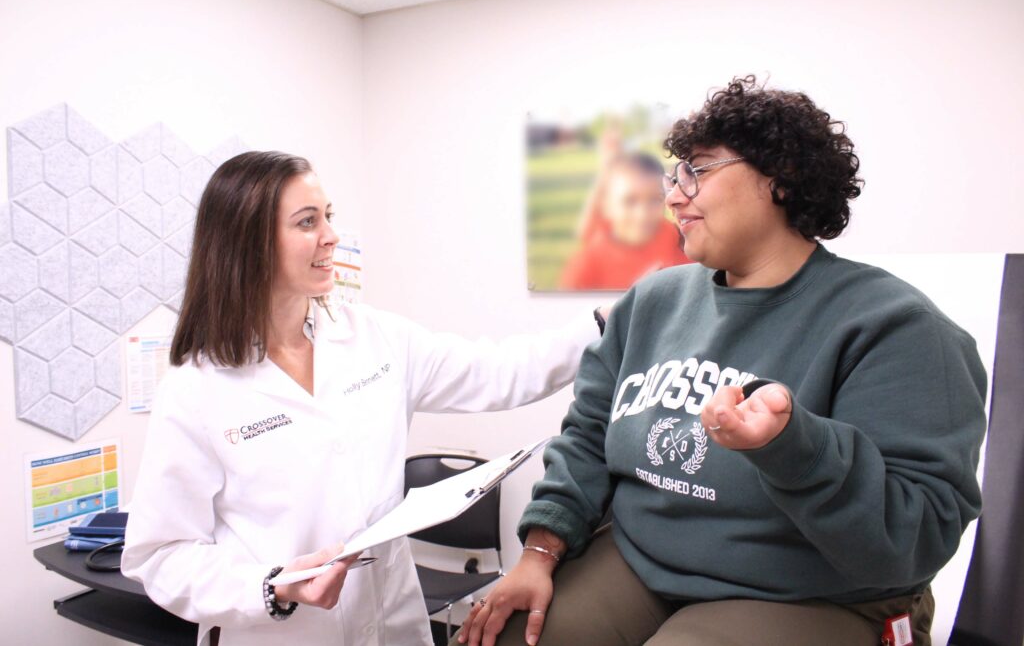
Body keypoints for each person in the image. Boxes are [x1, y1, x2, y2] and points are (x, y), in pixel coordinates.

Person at [457, 76, 987, 646]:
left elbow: (917, 532)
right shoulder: (651, 302)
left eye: (698, 171)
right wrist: (539, 552)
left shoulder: (898, 328)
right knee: (508, 636)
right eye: (674, 174)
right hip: (645, 560)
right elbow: (586, 437)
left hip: (809, 590)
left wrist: (793, 448)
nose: (674, 195)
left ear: (778, 179)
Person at [121, 151, 608, 646]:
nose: (331, 236)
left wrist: (612, 323)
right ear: (249, 244)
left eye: (327, 216)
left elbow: (502, 372)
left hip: (389, 618)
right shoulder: (198, 388)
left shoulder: (371, 338)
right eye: (307, 222)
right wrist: (270, 587)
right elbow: (159, 554)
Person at [560, 131, 690, 290]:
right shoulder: (588, 264)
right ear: (606, 207)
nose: (642, 214)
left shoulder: (680, 242)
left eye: (655, 200)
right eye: (630, 201)